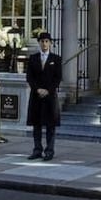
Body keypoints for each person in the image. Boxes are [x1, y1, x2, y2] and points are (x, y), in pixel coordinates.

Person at [26, 31, 61, 161]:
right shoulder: (33, 58)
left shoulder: (56, 59)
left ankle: (49, 150)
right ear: (39, 43)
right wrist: (37, 89)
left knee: (50, 125)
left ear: (50, 43)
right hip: (36, 96)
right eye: (42, 41)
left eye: (47, 41)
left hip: (50, 97)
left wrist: (48, 90)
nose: (44, 44)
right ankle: (37, 149)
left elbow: (58, 78)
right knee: (37, 124)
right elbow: (29, 77)